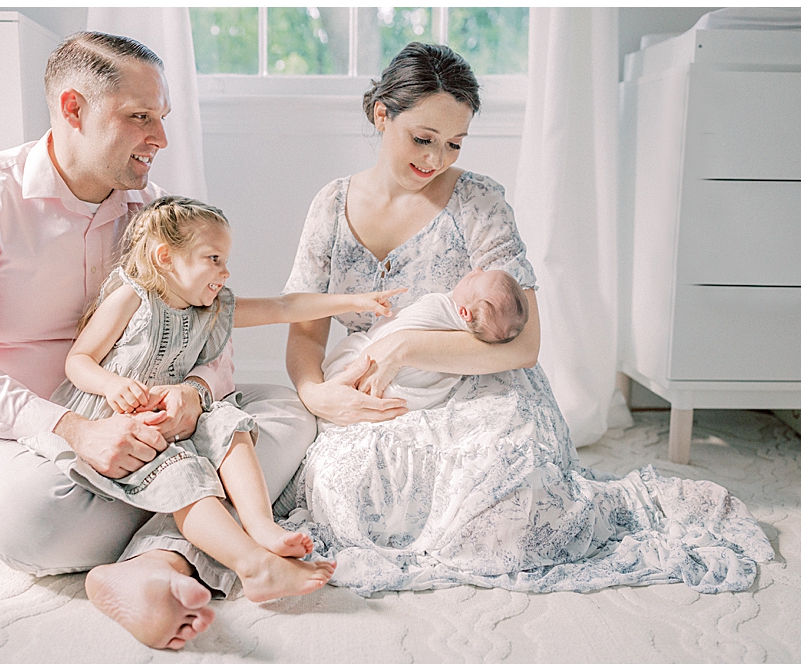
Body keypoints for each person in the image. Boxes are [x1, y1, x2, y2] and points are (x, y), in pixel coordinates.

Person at [280, 42, 773, 596]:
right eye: (423, 138)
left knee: (515, 492)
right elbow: (304, 332)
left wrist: (407, 347)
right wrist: (317, 395)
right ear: (381, 114)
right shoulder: (331, 207)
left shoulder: (479, 203)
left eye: (454, 144)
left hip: (483, 386)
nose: (436, 159)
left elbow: (523, 346)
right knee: (343, 491)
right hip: (377, 389)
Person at [0, 32, 317, 651]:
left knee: (287, 412)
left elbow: (210, 327)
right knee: (39, 517)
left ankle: (153, 565)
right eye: (139, 117)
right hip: (0, 436)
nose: (161, 138)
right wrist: (76, 430)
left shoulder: (152, 217)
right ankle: (187, 539)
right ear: (73, 110)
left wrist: (194, 390)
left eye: (162, 117)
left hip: (139, 420)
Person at [21, 195, 404, 601]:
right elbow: (78, 360)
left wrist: (355, 302)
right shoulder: (133, 298)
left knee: (228, 421)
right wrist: (112, 385)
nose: (225, 272)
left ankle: (260, 525)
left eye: (225, 260)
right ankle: (251, 565)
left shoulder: (211, 310)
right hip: (111, 417)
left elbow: (283, 306)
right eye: (213, 259)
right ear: (166, 257)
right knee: (186, 474)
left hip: (167, 415)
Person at [321, 267, 528, 413]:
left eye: (474, 279)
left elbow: (401, 320)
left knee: (355, 350)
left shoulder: (442, 307)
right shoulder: (474, 321)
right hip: (383, 380)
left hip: (370, 367)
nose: (476, 269)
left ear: (464, 313)